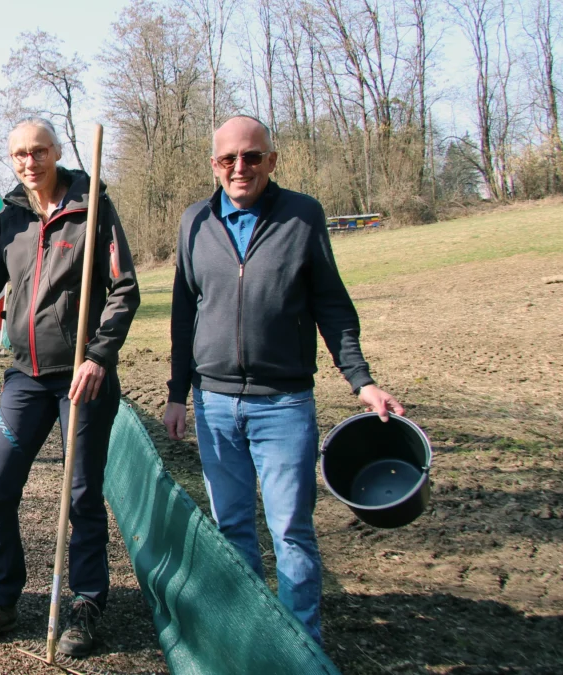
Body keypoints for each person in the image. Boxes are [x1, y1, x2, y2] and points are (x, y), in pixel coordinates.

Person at [162, 115, 404, 644]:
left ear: (272, 159)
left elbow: (331, 304)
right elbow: (184, 312)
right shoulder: (194, 222)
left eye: (252, 156)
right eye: (229, 159)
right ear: (215, 165)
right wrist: (178, 393)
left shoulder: (303, 216)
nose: (240, 168)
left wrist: (361, 381)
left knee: (291, 532)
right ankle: (250, 640)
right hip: (213, 404)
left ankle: (301, 647)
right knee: (232, 532)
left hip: (285, 405)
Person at [0, 117, 139, 658]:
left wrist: (99, 357)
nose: (29, 162)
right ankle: (1, 598)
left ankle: (85, 605)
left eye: (38, 151)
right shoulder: (10, 217)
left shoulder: (92, 207)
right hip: (25, 377)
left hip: (82, 378)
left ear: (57, 151)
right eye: (19, 154)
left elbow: (124, 290)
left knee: (81, 493)